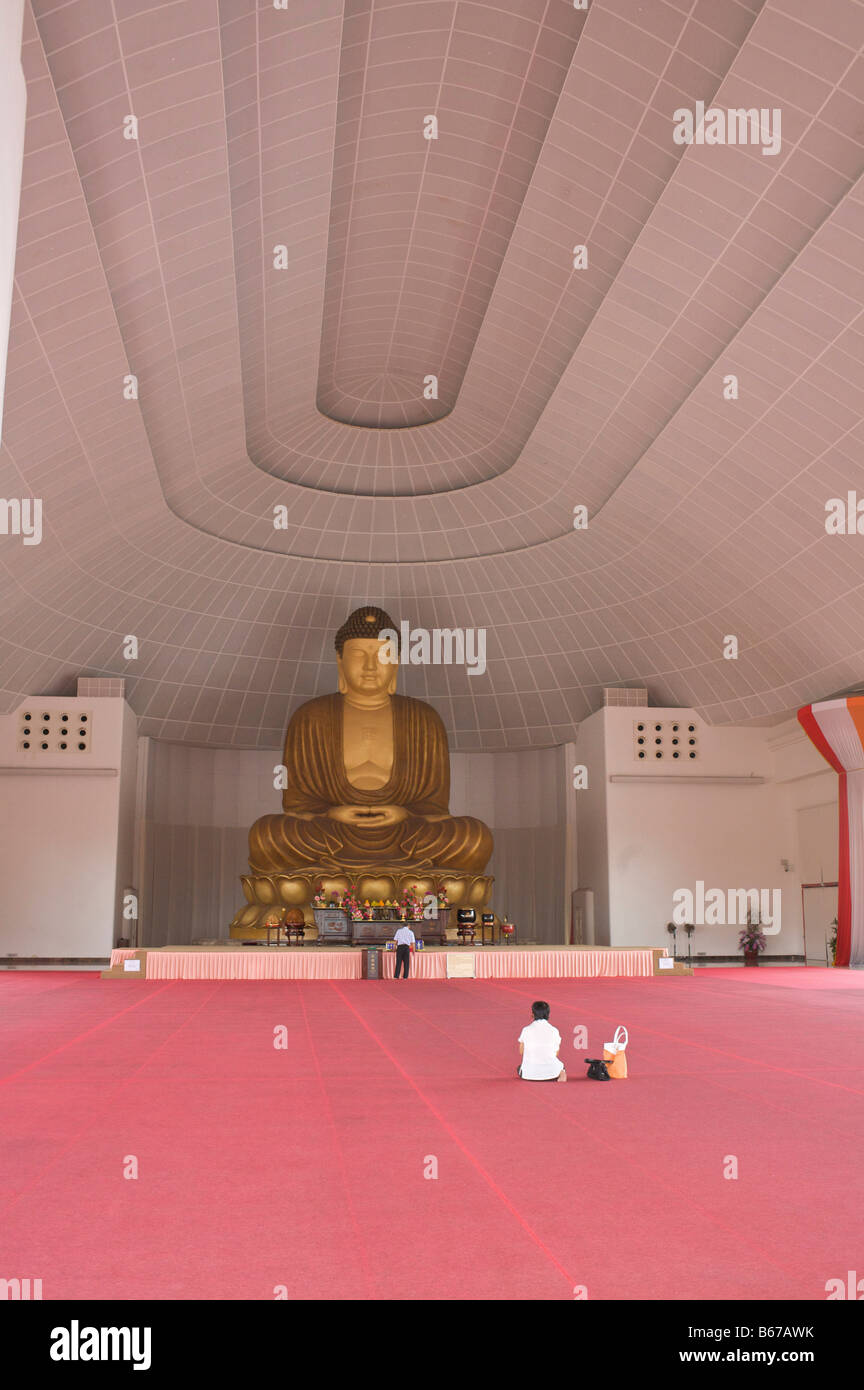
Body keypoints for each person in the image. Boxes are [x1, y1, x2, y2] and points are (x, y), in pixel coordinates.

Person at [517, 1001, 566, 1082]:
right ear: (548, 1014)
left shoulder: (526, 1030)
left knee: (520, 1068)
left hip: (529, 1074)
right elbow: (556, 1053)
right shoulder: (554, 1031)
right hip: (552, 1072)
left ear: (532, 1014)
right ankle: (561, 1074)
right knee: (561, 1066)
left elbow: (521, 1051)